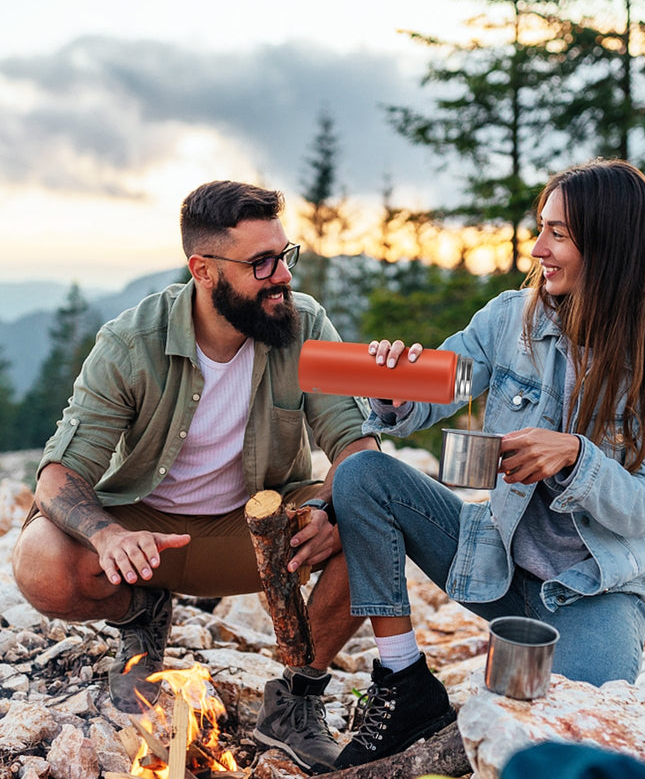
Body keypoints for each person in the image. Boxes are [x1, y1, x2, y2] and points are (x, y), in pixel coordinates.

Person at [330, 159, 645, 769]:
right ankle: (403, 680)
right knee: (363, 476)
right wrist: (395, 386)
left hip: (596, 594)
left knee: (564, 746)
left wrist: (576, 457)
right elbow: (436, 388)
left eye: (557, 233)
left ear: (608, 242)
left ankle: (526, 677)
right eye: (542, 228)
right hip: (496, 564)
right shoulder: (511, 318)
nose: (538, 249)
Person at [12, 180, 379, 774]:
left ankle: (297, 699)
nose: (281, 275)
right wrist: (108, 537)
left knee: (375, 508)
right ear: (203, 270)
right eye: (260, 263)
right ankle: (139, 615)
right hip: (146, 535)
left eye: (285, 255)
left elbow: (354, 441)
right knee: (40, 564)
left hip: (260, 531)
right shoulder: (132, 341)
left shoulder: (304, 322)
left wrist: (335, 513)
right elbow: (57, 474)